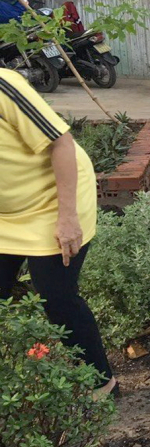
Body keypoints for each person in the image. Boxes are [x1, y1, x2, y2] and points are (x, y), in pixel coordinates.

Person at [0, 68, 116, 396]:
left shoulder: (3, 85)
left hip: (54, 197)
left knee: (56, 295)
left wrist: (67, 218)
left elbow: (61, 142)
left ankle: (103, 383)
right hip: (6, 212)